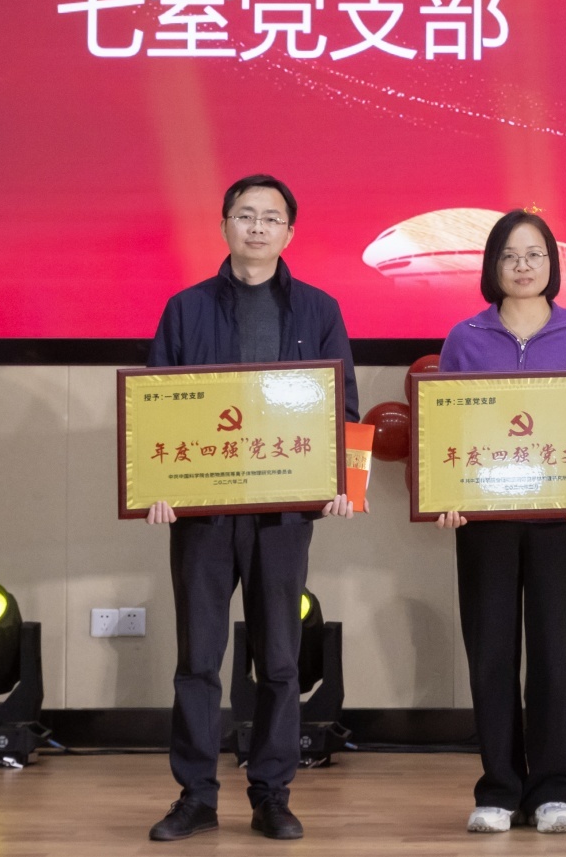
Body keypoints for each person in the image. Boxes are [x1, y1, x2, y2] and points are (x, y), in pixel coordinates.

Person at [145, 175, 359, 844]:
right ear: (224, 225)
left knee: (281, 661)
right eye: (245, 215)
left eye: (271, 217)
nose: (257, 227)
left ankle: (271, 794)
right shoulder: (185, 308)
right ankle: (195, 796)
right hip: (204, 516)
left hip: (283, 515)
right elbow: (156, 407)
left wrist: (343, 483)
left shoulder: (319, 309)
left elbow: (344, 405)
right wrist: (155, 483)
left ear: (289, 232)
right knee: (198, 661)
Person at [432, 209, 566, 836]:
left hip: (562, 518)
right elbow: (446, 430)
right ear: (492, 266)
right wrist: (445, 496)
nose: (522, 266)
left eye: (535, 254)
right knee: (490, 650)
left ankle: (556, 790)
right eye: (510, 255)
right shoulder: (465, 338)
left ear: (552, 263)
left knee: (558, 653)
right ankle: (499, 789)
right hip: (484, 520)